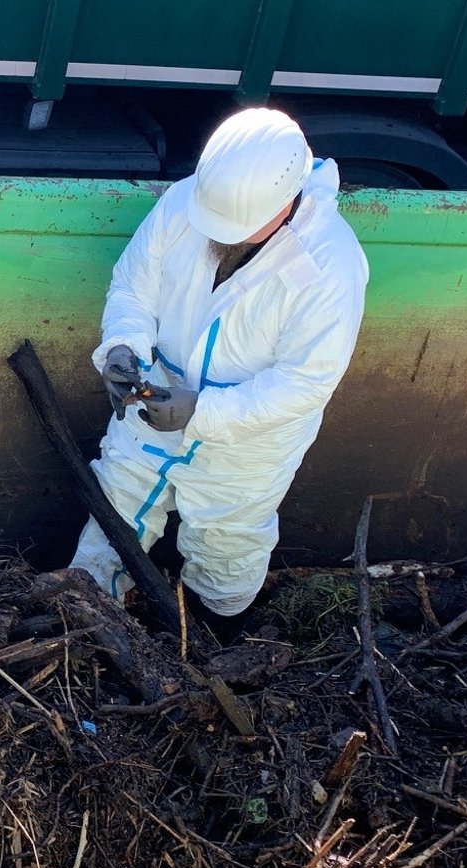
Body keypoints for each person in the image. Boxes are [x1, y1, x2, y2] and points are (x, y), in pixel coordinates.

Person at [67, 107, 369, 629]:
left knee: (226, 549)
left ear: (287, 201)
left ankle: (215, 638)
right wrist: (122, 345)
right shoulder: (188, 201)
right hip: (156, 398)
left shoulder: (330, 267)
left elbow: (305, 384)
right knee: (114, 511)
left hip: (247, 445)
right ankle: (84, 623)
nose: (223, 233)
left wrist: (203, 412)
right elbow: (135, 286)